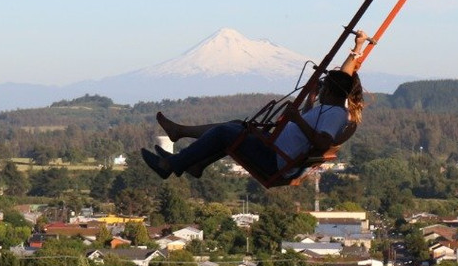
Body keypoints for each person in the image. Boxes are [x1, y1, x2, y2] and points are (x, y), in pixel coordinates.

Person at [141, 31, 370, 182]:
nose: (321, 89)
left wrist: (296, 118)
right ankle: (192, 156)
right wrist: (357, 47)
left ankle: (170, 163)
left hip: (274, 159)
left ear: (331, 90)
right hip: (276, 152)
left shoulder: (337, 114)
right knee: (235, 127)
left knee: (226, 132)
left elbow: (322, 140)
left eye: (324, 86)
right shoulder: (331, 110)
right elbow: (340, 82)